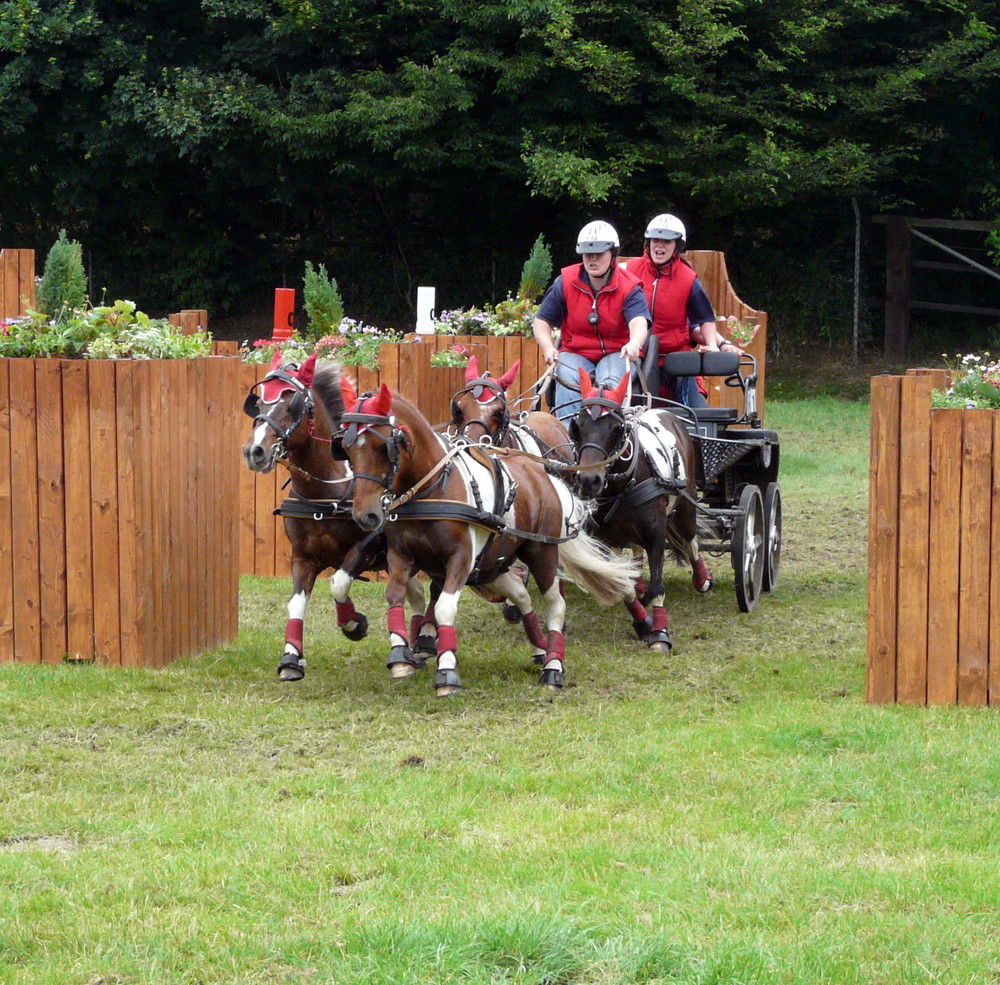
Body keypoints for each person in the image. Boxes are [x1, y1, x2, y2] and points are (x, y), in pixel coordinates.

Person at [532, 220, 650, 421]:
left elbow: (639, 322)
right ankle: (568, 442)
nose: (592, 259)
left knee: (608, 383)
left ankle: (608, 439)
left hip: (617, 352)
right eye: (588, 254)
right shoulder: (565, 281)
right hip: (575, 351)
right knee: (568, 380)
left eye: (599, 254)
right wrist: (548, 348)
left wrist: (634, 343)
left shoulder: (630, 286)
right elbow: (541, 321)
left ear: (612, 254)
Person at [624, 213, 740, 407]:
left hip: (675, 363)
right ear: (648, 242)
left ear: (677, 246)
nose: (659, 246)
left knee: (699, 413)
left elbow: (704, 317)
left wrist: (713, 344)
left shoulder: (688, 279)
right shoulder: (627, 270)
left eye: (666, 241)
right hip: (634, 359)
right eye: (655, 240)